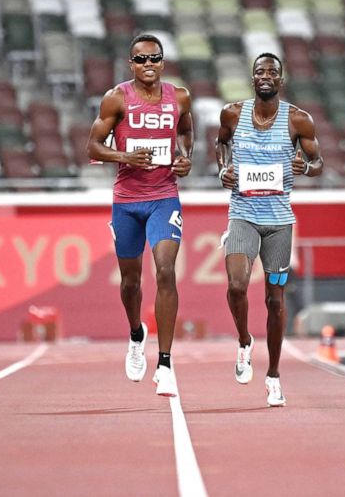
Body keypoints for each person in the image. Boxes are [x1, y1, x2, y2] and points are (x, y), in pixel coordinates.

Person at [86, 34, 194, 397]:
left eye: (155, 59)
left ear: (163, 63)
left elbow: (187, 131)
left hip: (164, 197)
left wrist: (184, 157)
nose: (148, 65)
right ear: (130, 64)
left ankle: (165, 363)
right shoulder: (116, 98)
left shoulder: (179, 97)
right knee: (131, 282)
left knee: (165, 270)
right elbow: (92, 145)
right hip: (127, 201)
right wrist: (124, 157)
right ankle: (136, 334)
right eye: (141, 60)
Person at [216, 53, 323, 406]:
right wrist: (224, 170)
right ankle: (245, 341)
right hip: (242, 215)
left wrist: (305, 167)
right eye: (259, 71)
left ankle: (274, 375)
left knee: (275, 301)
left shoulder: (298, 120)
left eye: (271, 72)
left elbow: (318, 163)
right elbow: (221, 145)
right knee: (236, 286)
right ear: (252, 79)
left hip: (279, 224)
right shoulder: (232, 113)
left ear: (281, 80)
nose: (265, 76)